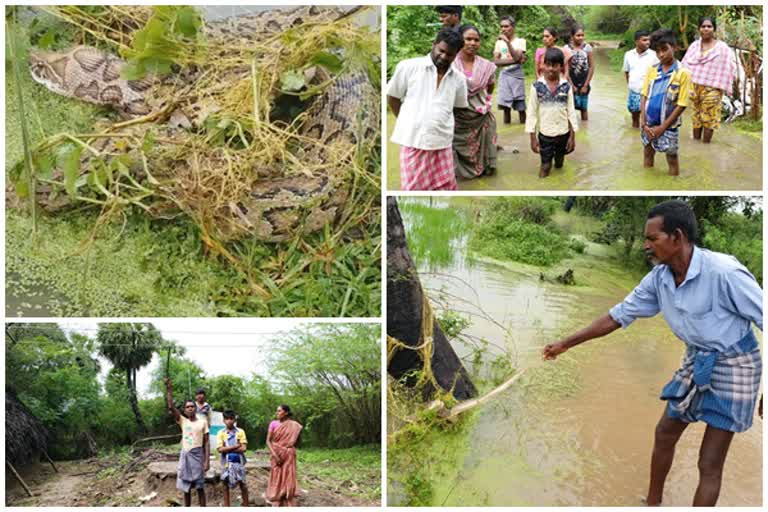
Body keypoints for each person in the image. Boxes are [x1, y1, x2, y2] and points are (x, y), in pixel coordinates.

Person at [542, 200, 762, 507]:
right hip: (697, 356)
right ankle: (653, 503)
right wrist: (566, 343)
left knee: (709, 463)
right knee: (665, 432)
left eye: (652, 238)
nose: (646, 245)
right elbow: (617, 316)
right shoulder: (659, 279)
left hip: (736, 363)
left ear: (677, 237)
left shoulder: (724, 273)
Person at [387, 28, 468, 190]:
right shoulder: (408, 67)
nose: (444, 57)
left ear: (457, 54)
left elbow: (458, 108)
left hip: (442, 142)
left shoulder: (459, 79)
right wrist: (407, 120)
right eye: (441, 51)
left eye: (450, 54)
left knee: (446, 187)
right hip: (413, 140)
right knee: (413, 188)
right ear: (434, 44)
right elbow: (393, 97)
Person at [640, 29, 692, 176]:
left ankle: (673, 182)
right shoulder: (652, 70)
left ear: (674, 48)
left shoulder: (683, 73)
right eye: (657, 51)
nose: (661, 54)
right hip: (648, 123)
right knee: (648, 153)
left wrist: (662, 128)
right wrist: (643, 122)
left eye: (664, 50)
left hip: (668, 125)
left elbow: (682, 104)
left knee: (672, 158)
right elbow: (644, 95)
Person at [681, 16, 736, 144]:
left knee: (709, 118)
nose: (706, 29)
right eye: (703, 26)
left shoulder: (722, 48)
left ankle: (705, 145)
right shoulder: (694, 46)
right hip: (694, 88)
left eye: (709, 26)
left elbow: (728, 67)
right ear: (699, 29)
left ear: (714, 29)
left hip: (713, 88)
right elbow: (685, 66)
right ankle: (696, 146)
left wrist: (723, 86)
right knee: (696, 117)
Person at [452, 25, 498, 179]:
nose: (472, 43)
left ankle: (485, 168)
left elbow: (491, 85)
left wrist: (482, 101)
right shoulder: (450, 64)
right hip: (458, 119)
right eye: (468, 39)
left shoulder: (486, 66)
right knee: (457, 149)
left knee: (483, 148)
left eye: (476, 40)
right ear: (460, 40)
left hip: (480, 116)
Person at [525, 47, 578, 178]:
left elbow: (571, 112)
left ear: (561, 67)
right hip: (545, 134)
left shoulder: (566, 87)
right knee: (545, 167)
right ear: (543, 65)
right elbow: (531, 113)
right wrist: (532, 137)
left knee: (559, 163)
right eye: (547, 65)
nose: (550, 69)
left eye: (555, 65)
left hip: (563, 133)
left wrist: (572, 137)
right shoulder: (537, 87)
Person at [165, 378, 210, 507]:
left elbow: (206, 443)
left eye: (192, 406)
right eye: (187, 407)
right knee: (186, 488)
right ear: (184, 410)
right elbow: (170, 406)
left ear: (195, 408)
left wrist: (207, 461)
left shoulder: (203, 422)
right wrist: (169, 389)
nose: (190, 408)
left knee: (200, 487)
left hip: (198, 455)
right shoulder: (183, 421)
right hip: (186, 455)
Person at [265, 405, 303, 507]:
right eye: (276, 411)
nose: (277, 413)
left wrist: (288, 448)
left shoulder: (294, 425)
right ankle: (277, 497)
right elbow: (268, 441)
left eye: (279, 411)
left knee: (288, 475)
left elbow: (297, 442)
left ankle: (287, 496)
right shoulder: (273, 423)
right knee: (276, 475)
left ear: (286, 412)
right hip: (276, 454)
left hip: (289, 454)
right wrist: (275, 455)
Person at [494, 16, 527, 125]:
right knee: (505, 108)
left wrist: (508, 42)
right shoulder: (498, 43)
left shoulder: (520, 41)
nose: (503, 29)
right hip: (504, 75)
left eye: (506, 26)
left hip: (517, 76)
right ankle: (507, 125)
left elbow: (518, 58)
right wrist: (515, 60)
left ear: (513, 27)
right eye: (502, 26)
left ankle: (524, 130)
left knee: (520, 107)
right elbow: (496, 62)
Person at [623, 30, 659, 128]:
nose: (648, 42)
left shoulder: (655, 55)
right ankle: (635, 135)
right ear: (636, 41)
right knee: (634, 118)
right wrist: (630, 86)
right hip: (634, 91)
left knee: (648, 119)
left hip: (649, 93)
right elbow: (626, 72)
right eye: (644, 40)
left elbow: (658, 74)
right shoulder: (628, 55)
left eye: (648, 40)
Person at [217, 410, 249, 507]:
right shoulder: (221, 433)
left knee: (242, 484)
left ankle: (246, 505)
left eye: (231, 419)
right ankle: (227, 506)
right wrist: (236, 446)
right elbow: (220, 449)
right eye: (227, 419)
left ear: (234, 420)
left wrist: (227, 449)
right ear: (223, 420)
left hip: (239, 462)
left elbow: (244, 448)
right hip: (226, 463)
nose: (229, 421)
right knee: (225, 484)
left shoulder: (240, 431)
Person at [566, 25, 594, 121]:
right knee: (569, 109)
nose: (581, 37)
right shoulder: (567, 48)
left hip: (583, 81)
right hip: (570, 82)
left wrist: (586, 85)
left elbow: (591, 67)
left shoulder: (588, 48)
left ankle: (585, 128)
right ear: (572, 36)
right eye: (578, 35)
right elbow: (565, 68)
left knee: (584, 108)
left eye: (582, 35)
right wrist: (571, 85)